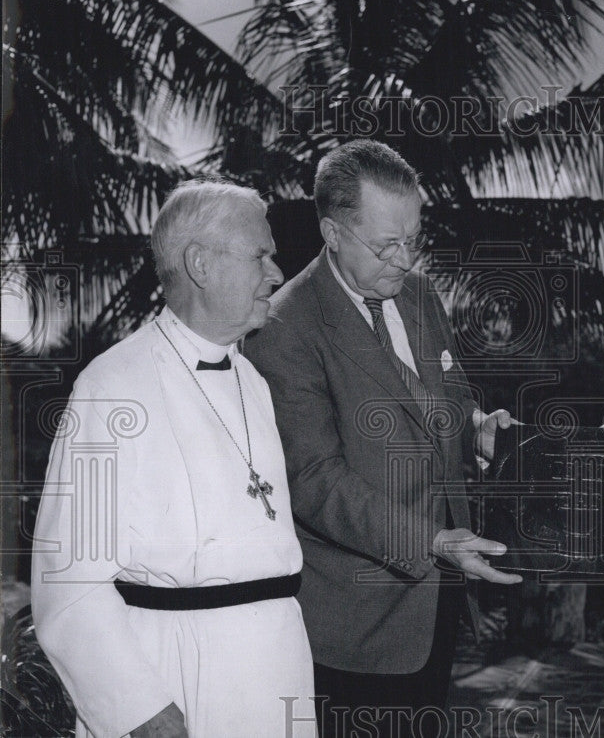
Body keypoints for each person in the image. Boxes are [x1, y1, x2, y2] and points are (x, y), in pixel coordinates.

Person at [242, 140, 521, 735]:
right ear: (333, 232)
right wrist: (433, 542)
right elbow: (314, 481)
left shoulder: (417, 295)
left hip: (436, 600)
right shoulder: (285, 329)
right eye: (386, 244)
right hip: (353, 625)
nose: (404, 259)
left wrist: (477, 430)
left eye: (413, 239)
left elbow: (453, 396)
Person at [31, 181, 316, 737]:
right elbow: (68, 584)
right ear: (200, 264)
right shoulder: (111, 387)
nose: (278, 274)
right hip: (179, 681)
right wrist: (142, 712)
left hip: (277, 674)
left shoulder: (253, 381)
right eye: (261, 255)